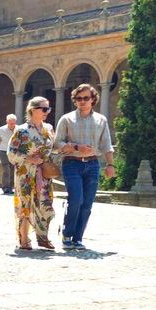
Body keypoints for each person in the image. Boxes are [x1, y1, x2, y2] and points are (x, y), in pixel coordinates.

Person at [53, 83, 116, 250]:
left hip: (93, 164)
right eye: (78, 98)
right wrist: (76, 147)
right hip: (71, 164)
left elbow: (106, 144)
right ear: (75, 100)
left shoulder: (101, 120)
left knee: (87, 203)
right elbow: (57, 144)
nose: (82, 101)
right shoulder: (66, 119)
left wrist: (110, 164)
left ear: (93, 99)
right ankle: (67, 234)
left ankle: (78, 238)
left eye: (86, 98)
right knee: (76, 199)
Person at [6, 97, 57, 251]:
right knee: (25, 204)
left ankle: (43, 237)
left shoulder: (49, 129)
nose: (47, 112)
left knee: (44, 203)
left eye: (48, 109)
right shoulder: (21, 130)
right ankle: (23, 239)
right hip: (25, 173)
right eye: (44, 109)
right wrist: (29, 158)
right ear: (33, 110)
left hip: (44, 173)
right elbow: (11, 153)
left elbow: (54, 148)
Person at [0, 114, 18, 194]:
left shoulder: (19, 129)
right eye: (10, 123)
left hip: (14, 152)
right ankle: (5, 188)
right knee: (6, 169)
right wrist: (3, 148)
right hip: (3, 151)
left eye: (13, 123)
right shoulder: (1, 129)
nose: (12, 125)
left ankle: (11, 187)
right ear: (7, 122)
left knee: (13, 169)